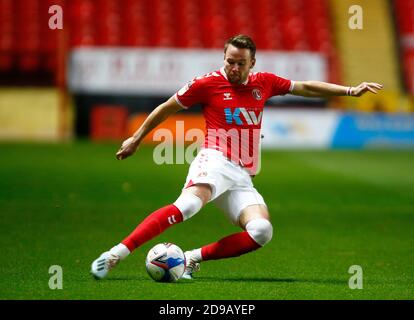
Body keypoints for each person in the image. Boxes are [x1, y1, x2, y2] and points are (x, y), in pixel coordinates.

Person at [91, 34, 383, 280]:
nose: (233, 67)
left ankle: (191, 258)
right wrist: (137, 137)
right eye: (229, 61)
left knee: (261, 231)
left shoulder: (264, 82)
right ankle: (115, 254)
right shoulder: (206, 83)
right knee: (189, 205)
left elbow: (304, 86)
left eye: (240, 63)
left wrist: (349, 90)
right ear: (224, 57)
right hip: (215, 160)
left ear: (252, 63)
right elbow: (167, 107)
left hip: (243, 176)